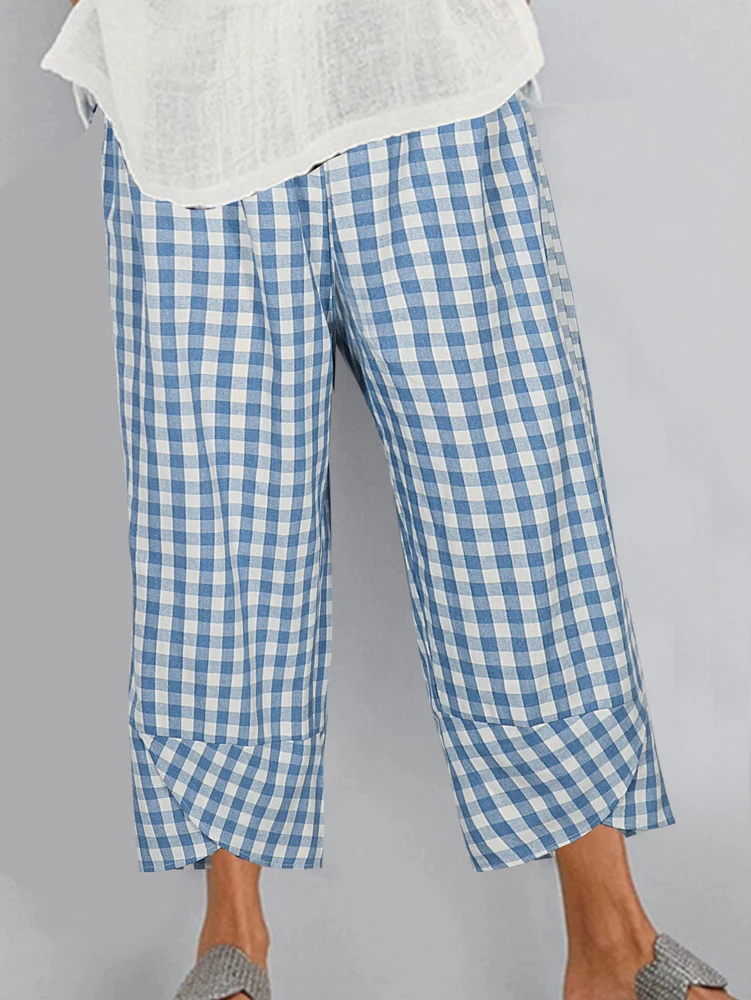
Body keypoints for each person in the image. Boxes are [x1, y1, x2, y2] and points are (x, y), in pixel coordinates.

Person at [39, 2, 739, 1000]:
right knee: (216, 548)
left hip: (420, 78)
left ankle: (612, 943)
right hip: (190, 100)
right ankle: (230, 944)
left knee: (511, 515)